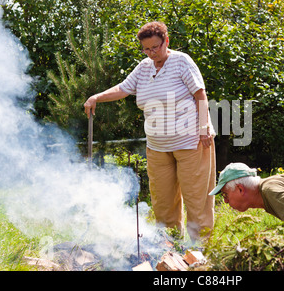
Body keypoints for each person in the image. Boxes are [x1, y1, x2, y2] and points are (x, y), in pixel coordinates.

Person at [84, 21, 216, 241]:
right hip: (157, 146)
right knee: (163, 202)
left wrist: (204, 128)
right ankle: (169, 247)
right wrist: (96, 97)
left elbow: (200, 94)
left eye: (155, 47)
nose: (151, 53)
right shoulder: (144, 67)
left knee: (196, 199)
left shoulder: (182, 62)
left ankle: (199, 250)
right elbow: (123, 88)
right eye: (146, 49)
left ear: (166, 41)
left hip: (191, 142)